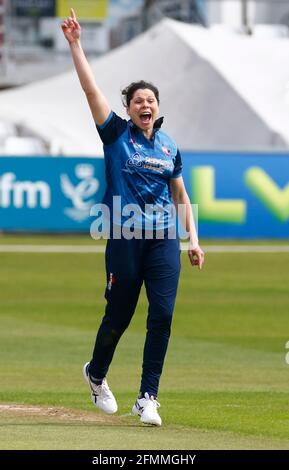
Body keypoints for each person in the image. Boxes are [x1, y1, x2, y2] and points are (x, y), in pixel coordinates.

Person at [61, 8, 204, 427]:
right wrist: (75, 45)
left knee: (161, 315)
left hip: (163, 240)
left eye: (151, 100)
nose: (146, 104)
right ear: (128, 107)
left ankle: (148, 397)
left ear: (157, 109)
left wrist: (193, 239)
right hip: (124, 238)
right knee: (119, 316)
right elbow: (91, 93)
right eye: (139, 100)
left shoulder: (169, 146)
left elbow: (180, 193)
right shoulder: (116, 134)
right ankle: (97, 373)